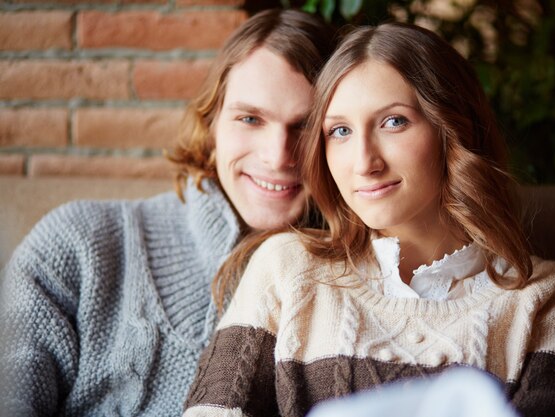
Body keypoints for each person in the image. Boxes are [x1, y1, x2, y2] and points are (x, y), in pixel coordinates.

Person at [182, 22, 555, 417]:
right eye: (339, 131)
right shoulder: (285, 267)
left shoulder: (552, 300)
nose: (364, 162)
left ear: (454, 128)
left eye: (393, 122)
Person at [0, 9, 335, 417]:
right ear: (211, 124)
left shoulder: (359, 287)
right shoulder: (76, 244)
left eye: (305, 126)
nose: (277, 155)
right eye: (250, 118)